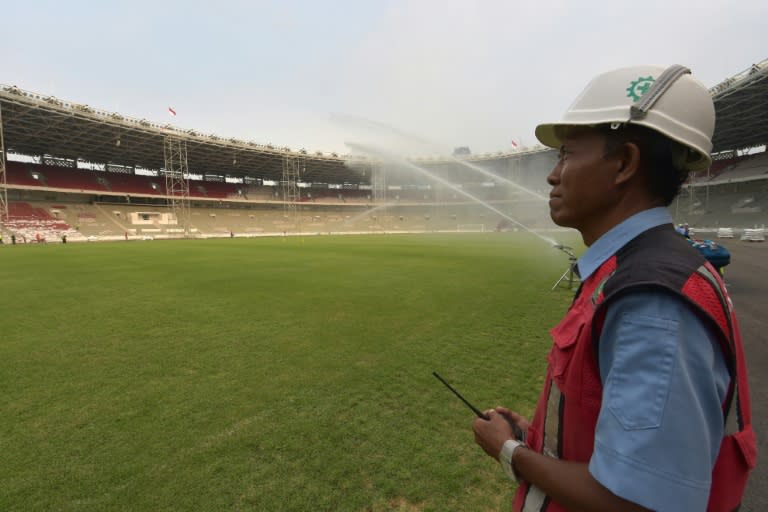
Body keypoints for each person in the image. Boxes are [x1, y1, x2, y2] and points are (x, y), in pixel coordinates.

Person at [472, 65, 756, 512]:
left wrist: (512, 453)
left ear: (624, 163)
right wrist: (535, 437)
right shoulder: (632, 273)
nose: (552, 175)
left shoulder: (653, 300)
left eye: (566, 154)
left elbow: (642, 501)